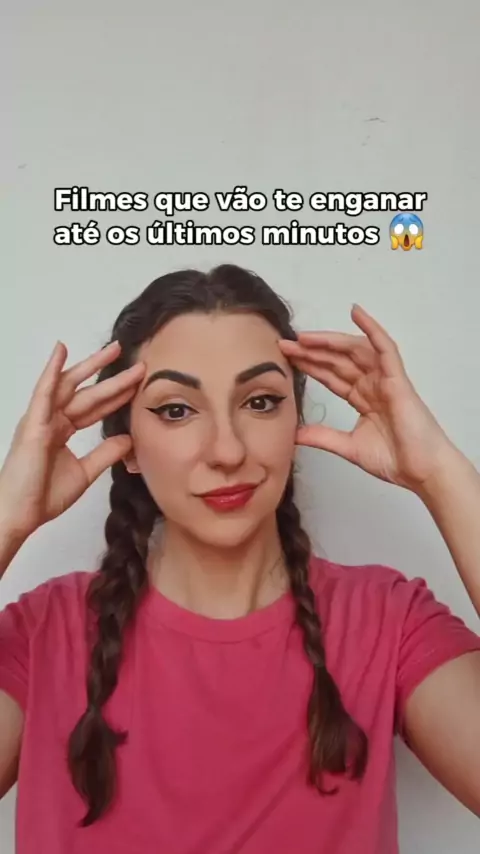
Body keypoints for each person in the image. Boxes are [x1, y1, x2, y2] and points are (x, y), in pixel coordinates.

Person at [0, 264, 479, 854]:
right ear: (127, 444)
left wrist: (440, 472)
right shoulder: (43, 635)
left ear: (294, 420)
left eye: (260, 401)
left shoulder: (388, 622)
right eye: (177, 410)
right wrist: (7, 514)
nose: (227, 451)